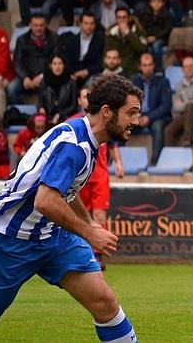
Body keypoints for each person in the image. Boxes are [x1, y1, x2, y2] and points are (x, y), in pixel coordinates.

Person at [0, 74, 141, 341]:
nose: (136, 121)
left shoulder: (87, 139)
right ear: (107, 112)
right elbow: (45, 200)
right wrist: (88, 232)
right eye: (131, 113)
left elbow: (66, 192)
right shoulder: (76, 145)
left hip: (52, 238)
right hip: (11, 240)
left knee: (105, 303)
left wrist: (89, 223)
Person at [72, 86, 124, 270]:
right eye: (84, 96)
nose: (87, 99)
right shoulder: (73, 122)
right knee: (82, 216)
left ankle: (98, 256)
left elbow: (112, 144)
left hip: (100, 174)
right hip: (81, 175)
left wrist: (118, 163)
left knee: (100, 214)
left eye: (90, 96)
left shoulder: (105, 120)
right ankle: (83, 254)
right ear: (79, 100)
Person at [130, 53, 172, 165]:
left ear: (154, 66)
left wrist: (149, 117)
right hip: (138, 115)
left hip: (157, 116)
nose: (147, 68)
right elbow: (128, 103)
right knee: (120, 125)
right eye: (144, 65)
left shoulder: (163, 81)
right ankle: (118, 160)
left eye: (149, 65)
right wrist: (135, 115)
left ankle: (155, 162)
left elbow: (166, 105)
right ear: (140, 66)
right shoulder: (133, 81)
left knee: (157, 127)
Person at [7, 14, 58, 104]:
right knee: (11, 89)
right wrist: (25, 77)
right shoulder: (21, 39)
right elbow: (17, 62)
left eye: (41, 25)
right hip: (27, 75)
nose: (38, 28)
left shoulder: (54, 38)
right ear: (30, 25)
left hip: (47, 75)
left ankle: (45, 114)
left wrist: (42, 76)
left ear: (46, 25)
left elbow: (56, 60)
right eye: (35, 25)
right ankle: (22, 114)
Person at [165, 56, 193, 147]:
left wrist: (185, 103)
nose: (189, 69)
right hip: (186, 116)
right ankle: (170, 157)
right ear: (182, 69)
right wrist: (192, 101)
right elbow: (175, 107)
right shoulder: (179, 85)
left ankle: (187, 141)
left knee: (190, 107)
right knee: (168, 130)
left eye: (191, 66)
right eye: (186, 66)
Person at [63, 11, 105, 87]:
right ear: (80, 24)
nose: (89, 26)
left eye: (91, 23)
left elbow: (100, 63)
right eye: (86, 23)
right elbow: (67, 61)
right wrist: (73, 73)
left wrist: (87, 71)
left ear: (95, 25)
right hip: (73, 74)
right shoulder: (70, 41)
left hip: (92, 74)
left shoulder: (101, 41)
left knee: (94, 81)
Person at [105, 7, 147, 77]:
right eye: (119, 17)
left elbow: (142, 49)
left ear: (129, 18)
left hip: (133, 70)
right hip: (114, 70)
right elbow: (106, 55)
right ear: (116, 19)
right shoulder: (111, 35)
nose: (122, 20)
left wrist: (128, 33)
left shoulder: (139, 32)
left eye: (124, 17)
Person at [138, 0, 173, 73]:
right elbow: (142, 28)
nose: (156, 4)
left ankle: (158, 70)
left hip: (161, 38)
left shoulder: (167, 15)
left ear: (163, 3)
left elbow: (167, 30)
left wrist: (156, 37)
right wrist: (146, 37)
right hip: (148, 37)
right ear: (150, 3)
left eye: (159, 1)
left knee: (156, 46)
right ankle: (142, 69)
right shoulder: (145, 14)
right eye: (154, 1)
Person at [38, 54, 79, 125]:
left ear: (64, 65)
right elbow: (40, 101)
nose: (57, 67)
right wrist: (41, 108)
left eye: (60, 63)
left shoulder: (71, 82)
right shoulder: (44, 81)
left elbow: (74, 105)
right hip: (48, 118)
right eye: (54, 63)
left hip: (66, 118)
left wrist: (60, 114)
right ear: (50, 66)